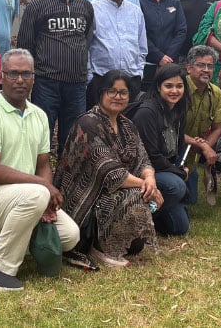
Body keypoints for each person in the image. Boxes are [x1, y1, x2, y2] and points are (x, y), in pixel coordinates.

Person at [0, 49, 80, 291]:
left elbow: (43, 164)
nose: (20, 80)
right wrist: (43, 187)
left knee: (70, 236)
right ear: (1, 77)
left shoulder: (39, 116)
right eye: (13, 74)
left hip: (25, 198)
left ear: (34, 78)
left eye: (26, 74)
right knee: (37, 195)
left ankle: (2, 236)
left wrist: (46, 197)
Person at [55, 70, 163, 268]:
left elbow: (143, 158)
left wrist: (150, 178)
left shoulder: (127, 125)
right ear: (101, 93)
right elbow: (110, 172)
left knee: (136, 245)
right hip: (85, 199)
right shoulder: (88, 123)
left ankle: (110, 238)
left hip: (111, 192)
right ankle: (100, 248)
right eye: (111, 91)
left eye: (123, 92)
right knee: (136, 194)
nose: (117, 96)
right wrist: (147, 187)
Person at [16, 0, 95, 156]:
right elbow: (25, 47)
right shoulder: (37, 6)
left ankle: (66, 176)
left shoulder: (85, 6)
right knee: (41, 135)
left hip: (76, 84)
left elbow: (87, 39)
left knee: (73, 139)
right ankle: (39, 176)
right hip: (46, 83)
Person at [130, 64, 190, 236]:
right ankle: (136, 216)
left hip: (164, 167)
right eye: (168, 86)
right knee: (176, 186)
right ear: (158, 87)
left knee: (179, 227)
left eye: (179, 86)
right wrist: (178, 173)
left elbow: (178, 147)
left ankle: (153, 212)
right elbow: (151, 156)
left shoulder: (178, 109)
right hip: (143, 170)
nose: (175, 91)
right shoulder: (147, 112)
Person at [87, 0, 147, 106]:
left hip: (131, 79)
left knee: (128, 119)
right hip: (101, 79)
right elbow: (85, 46)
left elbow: (142, 47)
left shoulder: (135, 11)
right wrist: (90, 77)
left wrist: (139, 73)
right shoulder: (92, 9)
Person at [182, 45, 221, 206]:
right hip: (172, 150)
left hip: (193, 153)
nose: (206, 70)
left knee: (191, 200)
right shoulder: (178, 88)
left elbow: (217, 128)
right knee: (176, 192)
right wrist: (202, 146)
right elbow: (171, 130)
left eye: (210, 66)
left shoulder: (216, 93)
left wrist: (204, 146)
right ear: (189, 68)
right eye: (201, 65)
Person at [139, 0, 186, 92]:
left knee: (171, 95)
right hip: (148, 62)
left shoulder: (175, 2)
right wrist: (158, 57)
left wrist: (168, 57)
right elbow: (140, 34)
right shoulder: (139, 2)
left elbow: (181, 31)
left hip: (171, 62)